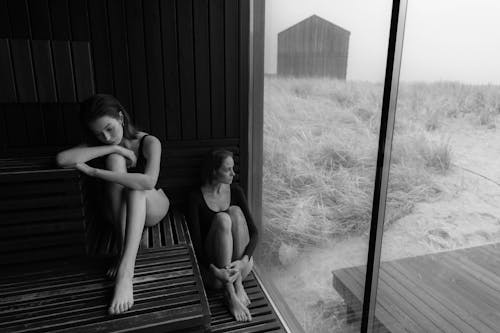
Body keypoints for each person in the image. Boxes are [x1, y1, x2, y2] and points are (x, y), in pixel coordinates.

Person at [56, 94, 169, 315]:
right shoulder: (105, 145)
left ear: (120, 116)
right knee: (115, 160)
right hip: (121, 216)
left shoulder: (149, 142)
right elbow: (61, 159)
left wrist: (95, 171)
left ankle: (125, 273)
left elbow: (148, 182)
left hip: (154, 204)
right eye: (99, 134)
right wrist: (114, 149)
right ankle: (124, 244)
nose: (106, 137)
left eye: (109, 128)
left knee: (136, 191)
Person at [187, 149, 259, 322]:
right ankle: (230, 294)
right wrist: (215, 271)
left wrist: (243, 262)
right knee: (222, 219)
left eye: (233, 168)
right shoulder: (195, 198)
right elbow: (195, 247)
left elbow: (254, 232)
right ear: (214, 171)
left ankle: (238, 283)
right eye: (228, 169)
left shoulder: (235, 191)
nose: (233, 173)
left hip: (241, 269)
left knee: (234, 211)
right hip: (215, 274)